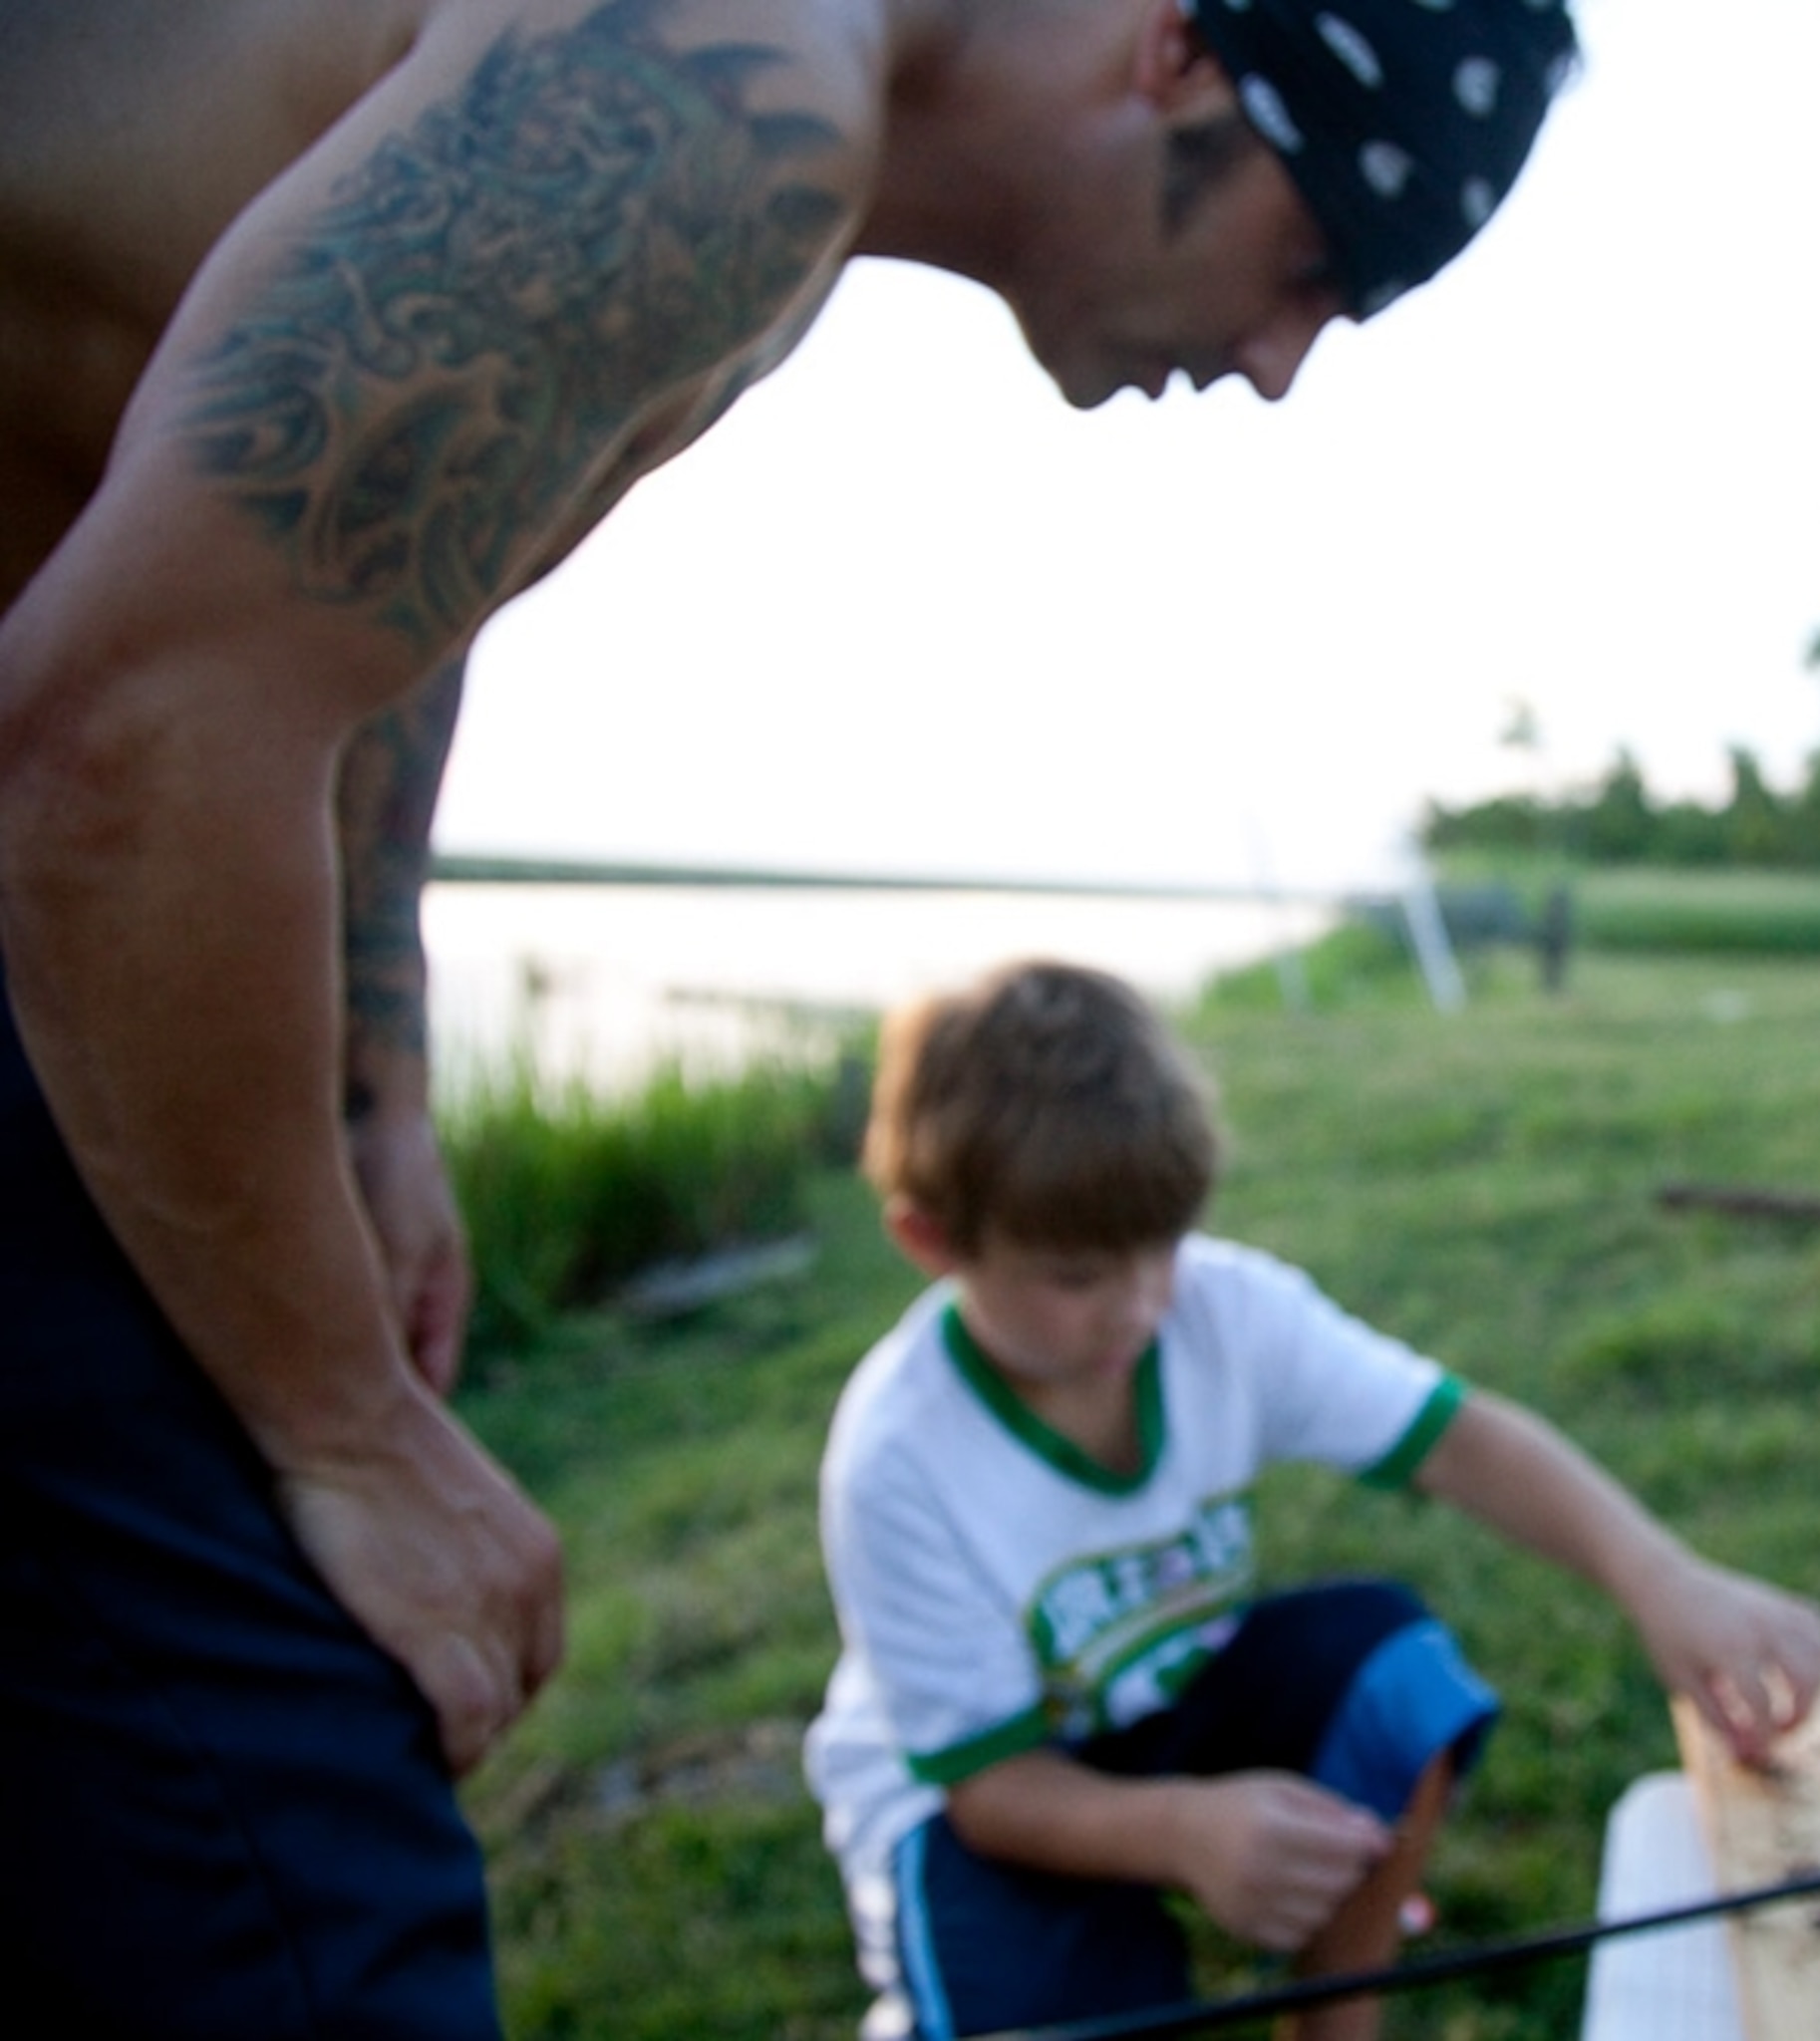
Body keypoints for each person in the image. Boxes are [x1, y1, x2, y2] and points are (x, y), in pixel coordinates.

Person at [0, 1, 1578, 2030]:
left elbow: (371, 574)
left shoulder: (759, 155)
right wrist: (348, 1429)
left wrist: (372, 1083)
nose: (1280, 368)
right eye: (1315, 267)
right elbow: (114, 754)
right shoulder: (733, 95)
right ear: (1182, 53)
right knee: (308, 1887)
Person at [803, 958, 1820, 2039]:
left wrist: (1659, 1576)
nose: (1144, 1304)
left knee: (1397, 1671)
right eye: (1077, 1275)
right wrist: (1184, 1832)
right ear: (932, 1240)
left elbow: (1461, 1440)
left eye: (1164, 1246)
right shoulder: (897, 1458)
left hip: (1165, 1706)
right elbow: (986, 1784)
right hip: (982, 1807)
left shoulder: (1225, 1310)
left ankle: (1339, 2023)